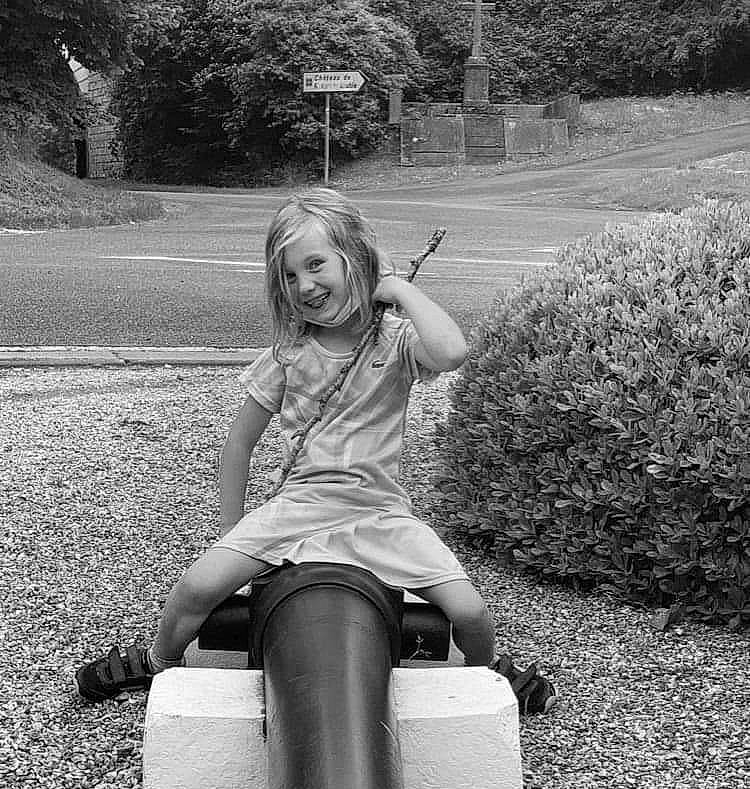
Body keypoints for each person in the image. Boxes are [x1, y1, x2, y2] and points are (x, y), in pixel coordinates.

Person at [76, 188, 556, 715]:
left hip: (377, 512)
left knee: (469, 612)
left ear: (356, 260)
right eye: (289, 275)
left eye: (315, 264)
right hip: (298, 508)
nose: (304, 284)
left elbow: (453, 350)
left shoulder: (395, 345)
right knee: (196, 588)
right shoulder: (288, 354)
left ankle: (485, 674)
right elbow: (239, 444)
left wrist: (394, 286)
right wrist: (233, 528)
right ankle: (159, 661)